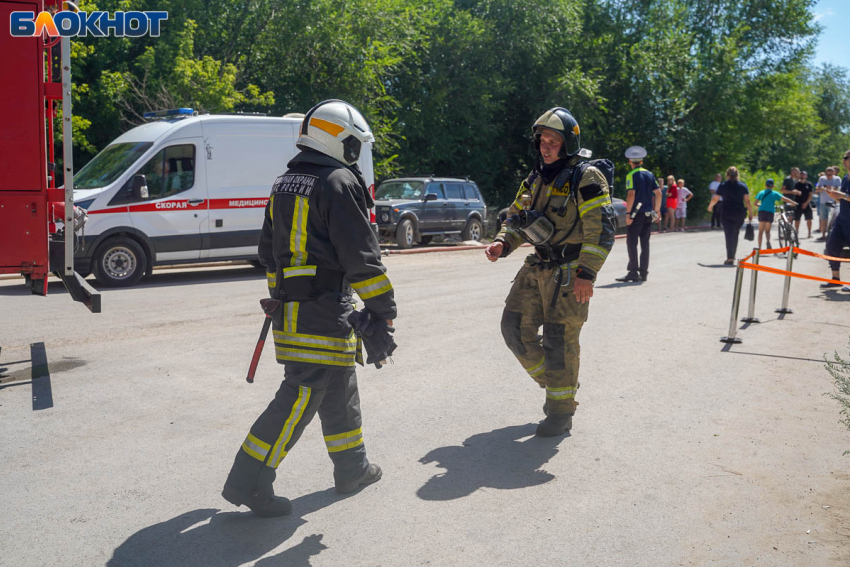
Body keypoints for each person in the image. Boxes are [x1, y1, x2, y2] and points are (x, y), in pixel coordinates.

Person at [221, 100, 397, 517]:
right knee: (300, 396)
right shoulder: (339, 182)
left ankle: (352, 467)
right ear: (338, 139)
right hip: (323, 310)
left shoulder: (285, 181)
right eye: (355, 144)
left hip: (292, 309)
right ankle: (248, 481)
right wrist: (384, 308)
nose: (357, 152)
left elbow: (267, 251)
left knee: (339, 384)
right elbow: (361, 258)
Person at [484, 107, 616, 437]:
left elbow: (600, 229)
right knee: (513, 328)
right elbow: (515, 218)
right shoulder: (534, 178)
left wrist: (587, 273)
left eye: (553, 141)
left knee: (559, 342)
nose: (546, 146)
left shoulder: (586, 177)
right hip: (537, 266)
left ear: (568, 144)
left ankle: (560, 411)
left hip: (572, 272)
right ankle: (562, 384)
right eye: (542, 140)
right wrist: (502, 243)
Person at [616, 146, 661, 282]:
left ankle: (633, 273)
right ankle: (644, 273)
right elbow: (658, 193)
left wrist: (628, 214)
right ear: (641, 161)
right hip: (648, 213)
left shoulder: (631, 175)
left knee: (631, 243)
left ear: (630, 161)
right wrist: (657, 210)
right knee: (645, 244)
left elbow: (631, 194)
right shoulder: (649, 174)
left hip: (636, 214)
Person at [707, 166, 753, 265]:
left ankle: (730, 258)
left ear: (727, 175)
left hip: (727, 213)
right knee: (735, 233)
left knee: (729, 235)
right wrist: (751, 212)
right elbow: (747, 201)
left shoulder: (723, 185)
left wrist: (710, 207)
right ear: (737, 175)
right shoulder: (743, 186)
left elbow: (715, 198)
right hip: (739, 213)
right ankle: (733, 256)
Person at [820, 151, 850, 290]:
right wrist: (833, 195)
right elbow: (842, 198)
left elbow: (845, 196)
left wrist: (843, 195)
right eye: (843, 158)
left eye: (846, 158)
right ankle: (835, 279)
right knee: (832, 246)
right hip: (842, 218)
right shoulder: (845, 178)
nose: (843, 161)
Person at [754, 179, 796, 249]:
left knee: (760, 231)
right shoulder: (774, 193)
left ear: (765, 185)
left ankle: (759, 247)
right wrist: (793, 203)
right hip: (770, 212)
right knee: (767, 231)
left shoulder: (761, 193)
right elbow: (785, 198)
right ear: (773, 186)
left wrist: (761, 205)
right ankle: (768, 241)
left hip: (762, 212)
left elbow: (755, 204)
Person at [815, 167, 841, 242]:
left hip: (834, 202)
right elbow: (817, 189)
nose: (829, 176)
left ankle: (832, 236)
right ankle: (823, 235)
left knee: (832, 220)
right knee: (823, 219)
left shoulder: (837, 179)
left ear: (833, 173)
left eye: (830, 175)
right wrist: (824, 188)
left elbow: (839, 189)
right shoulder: (822, 179)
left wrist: (831, 188)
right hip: (823, 202)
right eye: (827, 174)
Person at [793, 170, 814, 238]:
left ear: (806, 176)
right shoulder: (796, 184)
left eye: (804, 175)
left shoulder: (809, 184)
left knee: (809, 219)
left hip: (806, 203)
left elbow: (810, 195)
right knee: (797, 219)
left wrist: (806, 203)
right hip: (798, 203)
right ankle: (796, 233)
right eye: (801, 174)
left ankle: (809, 233)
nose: (802, 176)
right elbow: (793, 192)